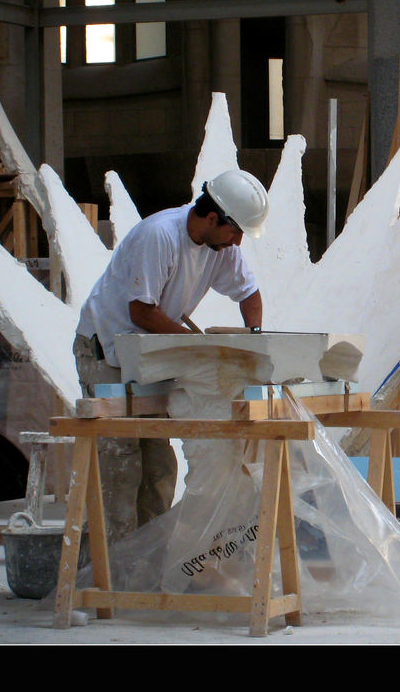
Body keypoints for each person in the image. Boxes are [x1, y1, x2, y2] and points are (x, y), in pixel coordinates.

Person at [73, 168, 269, 543]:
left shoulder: (221, 247)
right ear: (212, 218)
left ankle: (147, 561)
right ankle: (109, 571)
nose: (238, 240)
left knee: (159, 465)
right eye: (235, 230)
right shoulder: (160, 235)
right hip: (106, 349)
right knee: (120, 461)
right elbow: (141, 312)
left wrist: (255, 338)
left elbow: (249, 294)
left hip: (150, 351)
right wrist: (197, 350)